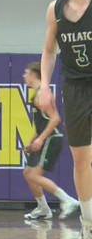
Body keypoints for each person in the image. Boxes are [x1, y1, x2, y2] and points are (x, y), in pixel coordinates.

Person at [37, 0, 92, 239]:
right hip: (74, 88)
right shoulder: (55, 9)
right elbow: (48, 50)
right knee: (81, 160)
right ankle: (88, 224)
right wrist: (45, 85)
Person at [21, 61, 79, 220]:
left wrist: (40, 139)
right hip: (44, 137)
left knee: (34, 175)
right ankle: (43, 209)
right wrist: (32, 139)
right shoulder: (36, 93)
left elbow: (55, 119)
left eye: (26, 73)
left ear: (34, 74)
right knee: (27, 173)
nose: (23, 76)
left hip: (52, 138)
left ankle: (68, 200)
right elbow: (41, 123)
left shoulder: (42, 94)